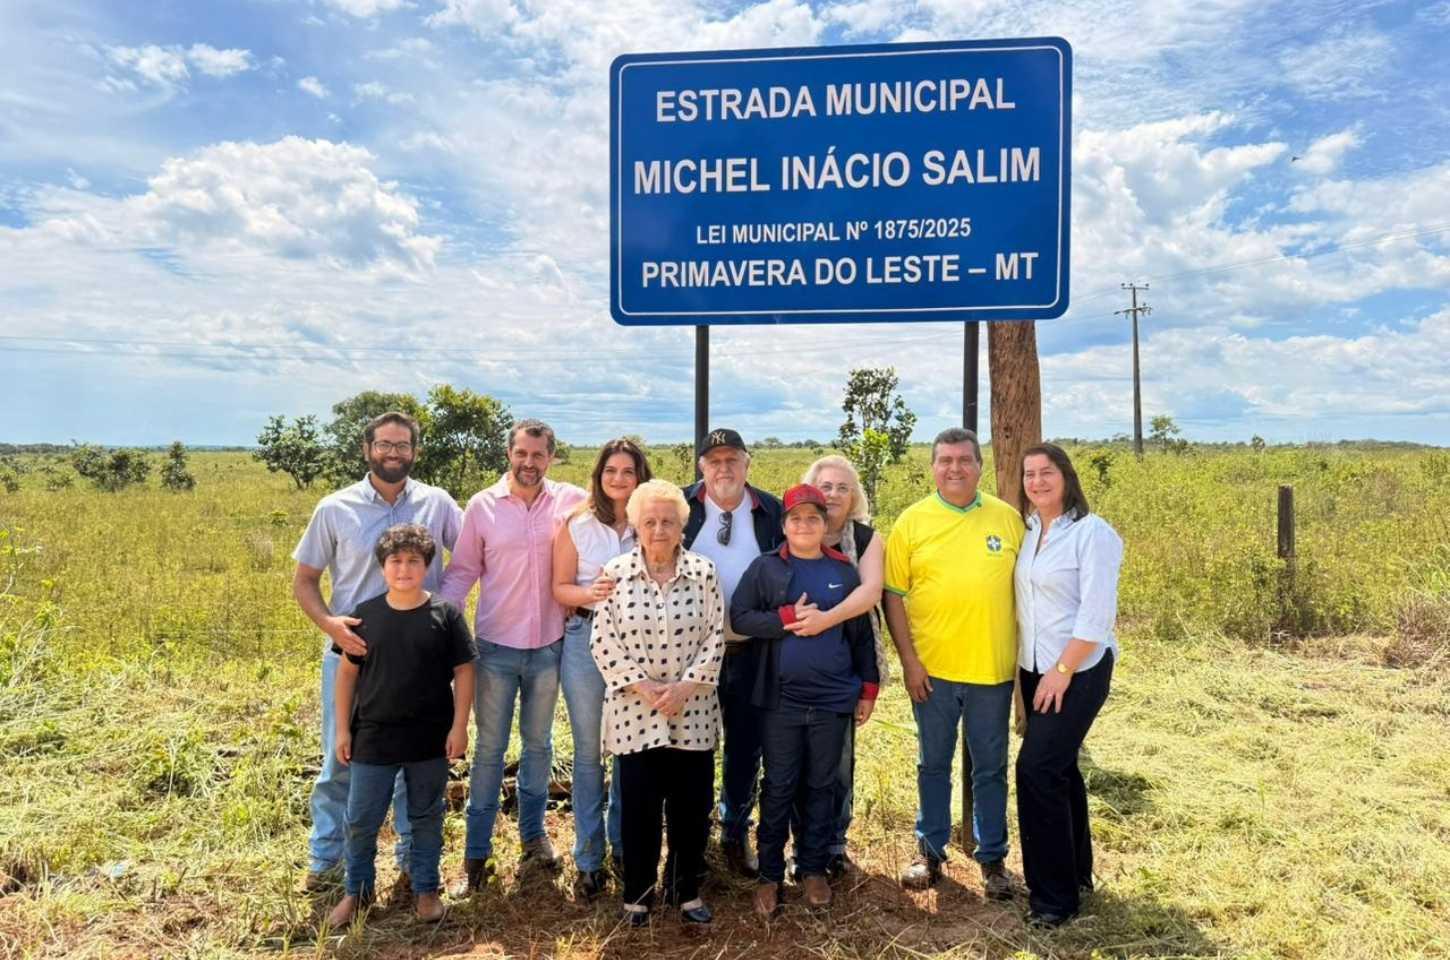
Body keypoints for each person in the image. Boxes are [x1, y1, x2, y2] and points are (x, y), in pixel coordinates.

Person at [292, 411, 463, 892]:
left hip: (421, 664)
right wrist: (330, 625)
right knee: (340, 759)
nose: (394, 453)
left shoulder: (438, 503)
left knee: (415, 763)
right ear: (367, 448)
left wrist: (443, 611)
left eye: (403, 445)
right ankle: (327, 861)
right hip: (353, 656)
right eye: (384, 444)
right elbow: (305, 580)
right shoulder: (335, 508)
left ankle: (413, 863)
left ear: (416, 451)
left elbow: (471, 556)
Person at [441, 419, 586, 894]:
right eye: (521, 453)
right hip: (495, 650)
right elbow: (462, 572)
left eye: (538, 455)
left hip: (549, 647)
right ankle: (476, 856)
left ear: (551, 457)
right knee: (488, 752)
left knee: (539, 746)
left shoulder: (569, 502)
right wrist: (439, 624)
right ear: (509, 454)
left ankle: (533, 838)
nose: (529, 463)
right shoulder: (482, 507)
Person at [883, 427, 1025, 899]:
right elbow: (894, 597)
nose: (955, 468)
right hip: (933, 672)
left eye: (964, 460)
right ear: (933, 467)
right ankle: (931, 852)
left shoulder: (1007, 520)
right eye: (945, 460)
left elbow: (1029, 596)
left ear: (980, 466)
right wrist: (910, 661)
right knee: (933, 764)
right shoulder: (912, 522)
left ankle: (993, 859)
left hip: (992, 671)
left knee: (990, 767)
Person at [729, 484, 879, 917]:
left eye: (813, 518)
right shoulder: (767, 569)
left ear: (824, 523)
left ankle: (812, 868)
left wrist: (867, 688)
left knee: (822, 784)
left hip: (833, 700)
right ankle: (769, 874)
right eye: (796, 518)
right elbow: (741, 617)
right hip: (781, 702)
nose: (804, 525)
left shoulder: (844, 572)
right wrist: (785, 618)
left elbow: (860, 635)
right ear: (784, 524)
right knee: (778, 785)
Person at [590, 480, 725, 927]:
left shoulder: (704, 573)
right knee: (639, 811)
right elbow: (603, 643)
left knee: (691, 809)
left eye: (668, 520)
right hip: (635, 715)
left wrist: (685, 687)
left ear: (682, 525)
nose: (659, 529)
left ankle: (685, 891)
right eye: (650, 521)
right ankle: (638, 895)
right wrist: (645, 688)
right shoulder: (615, 573)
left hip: (694, 713)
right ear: (635, 524)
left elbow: (715, 637)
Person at [327, 525, 475, 926]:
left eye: (413, 561)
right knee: (361, 819)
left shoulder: (445, 615)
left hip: (429, 739)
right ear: (382, 567)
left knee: (426, 816)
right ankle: (357, 893)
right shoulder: (365, 615)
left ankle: (426, 889)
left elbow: (464, 671)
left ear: (427, 566)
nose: (404, 568)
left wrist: (459, 726)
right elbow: (346, 676)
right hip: (373, 738)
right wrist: (342, 730)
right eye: (396, 561)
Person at [1014, 444, 1123, 928]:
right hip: (1035, 666)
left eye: (1046, 473)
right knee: (1059, 768)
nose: (1037, 482)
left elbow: (1095, 616)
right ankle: (1077, 874)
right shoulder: (1032, 530)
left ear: (1066, 476)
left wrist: (1061, 671)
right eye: (1029, 474)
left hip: (1076, 669)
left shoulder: (1091, 534)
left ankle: (1053, 901)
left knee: (1035, 770)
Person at [550, 438, 651, 898]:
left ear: (640, 476)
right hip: (585, 642)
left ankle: (625, 845)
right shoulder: (577, 524)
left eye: (627, 472)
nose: (618, 479)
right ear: (599, 474)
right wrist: (591, 593)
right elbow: (560, 589)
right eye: (611, 470)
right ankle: (588, 858)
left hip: (642, 645)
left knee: (629, 750)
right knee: (589, 753)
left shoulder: (652, 521)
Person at [681, 428, 783, 878]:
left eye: (732, 460)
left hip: (751, 652)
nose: (723, 469)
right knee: (691, 749)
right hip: (688, 655)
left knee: (746, 747)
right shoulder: (678, 508)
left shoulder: (771, 511)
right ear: (701, 466)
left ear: (747, 463)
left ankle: (735, 832)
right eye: (714, 461)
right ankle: (691, 838)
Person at [790, 455, 887, 878]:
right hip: (791, 675)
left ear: (854, 498)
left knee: (838, 763)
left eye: (842, 488)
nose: (832, 494)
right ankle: (799, 846)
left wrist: (825, 620)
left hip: (844, 668)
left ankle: (833, 843)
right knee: (794, 763)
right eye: (825, 486)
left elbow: (868, 597)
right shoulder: (791, 535)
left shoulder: (865, 540)